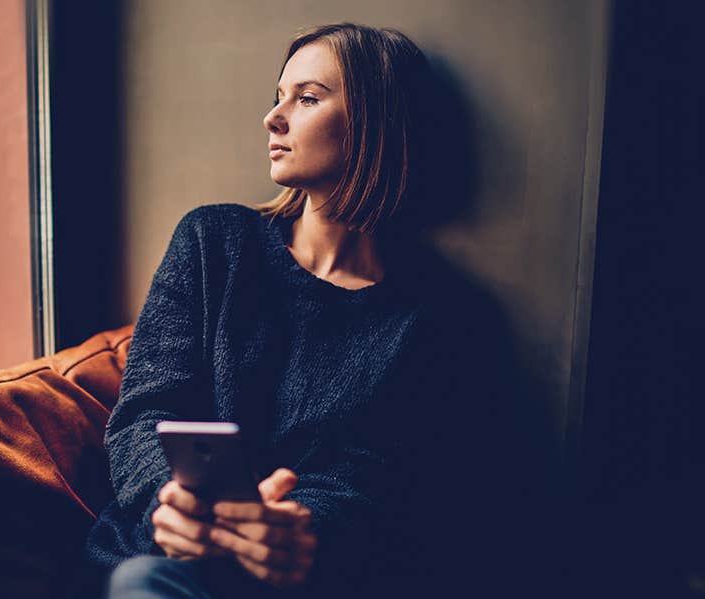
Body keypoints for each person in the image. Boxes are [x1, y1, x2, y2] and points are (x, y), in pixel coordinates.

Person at [80, 22, 553, 598]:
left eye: (306, 99)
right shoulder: (215, 241)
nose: (273, 118)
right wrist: (168, 504)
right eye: (277, 98)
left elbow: (380, 480)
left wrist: (301, 530)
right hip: (162, 558)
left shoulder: (440, 317)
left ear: (377, 124)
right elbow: (143, 413)